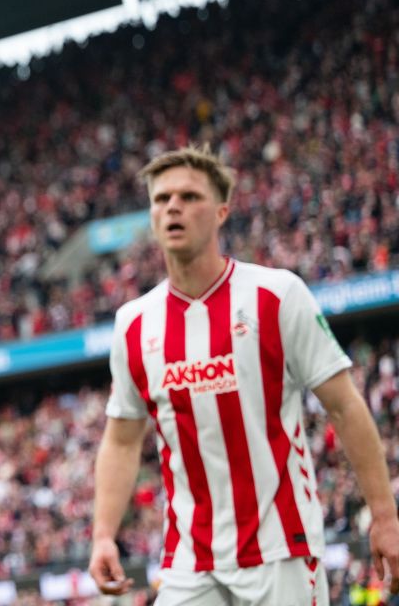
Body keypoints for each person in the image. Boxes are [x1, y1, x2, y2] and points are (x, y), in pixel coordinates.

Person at [89, 145, 399, 605]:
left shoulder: (276, 296)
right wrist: (102, 535)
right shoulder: (133, 324)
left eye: (189, 196)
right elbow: (121, 438)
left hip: (282, 550)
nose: (173, 206)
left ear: (221, 212)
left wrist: (385, 516)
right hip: (190, 562)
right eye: (161, 198)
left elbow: (344, 405)